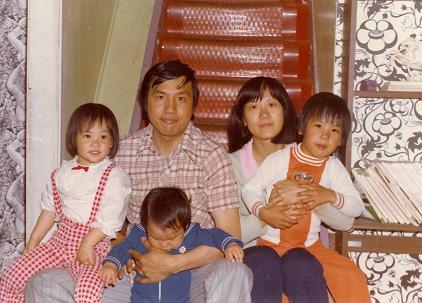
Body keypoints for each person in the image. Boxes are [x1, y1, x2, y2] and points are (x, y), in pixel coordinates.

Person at [25, 60, 252, 303]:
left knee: (235, 272)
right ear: (145, 103)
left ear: (194, 105)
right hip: (134, 275)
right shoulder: (120, 153)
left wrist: (173, 264)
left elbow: (228, 237)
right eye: (161, 97)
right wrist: (117, 256)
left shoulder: (212, 156)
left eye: (181, 98)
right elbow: (105, 222)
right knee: (45, 283)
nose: (170, 109)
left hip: (192, 275)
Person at [228, 77, 355, 303]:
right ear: (243, 119)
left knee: (306, 267)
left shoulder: (309, 154)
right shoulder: (228, 165)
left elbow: (346, 223)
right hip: (253, 253)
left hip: (302, 252)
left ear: (286, 113)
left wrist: (315, 196)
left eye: (272, 105)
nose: (264, 114)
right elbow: (227, 230)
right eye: (254, 107)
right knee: (265, 265)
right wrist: (269, 214)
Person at [0, 103, 131, 303]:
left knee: (88, 290)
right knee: (12, 276)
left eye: (103, 137)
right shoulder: (61, 173)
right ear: (74, 138)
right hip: (59, 243)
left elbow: (111, 220)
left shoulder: (114, 176)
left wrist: (87, 244)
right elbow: (49, 210)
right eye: (88, 136)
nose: (96, 143)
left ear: (112, 143)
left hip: (93, 244)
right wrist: (34, 241)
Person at [100, 187, 244, 302]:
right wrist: (110, 265)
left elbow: (215, 235)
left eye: (172, 238)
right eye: (156, 238)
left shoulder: (192, 233)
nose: (164, 244)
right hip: (141, 299)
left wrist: (230, 244)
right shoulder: (139, 233)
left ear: (185, 226)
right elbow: (122, 248)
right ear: (146, 225)